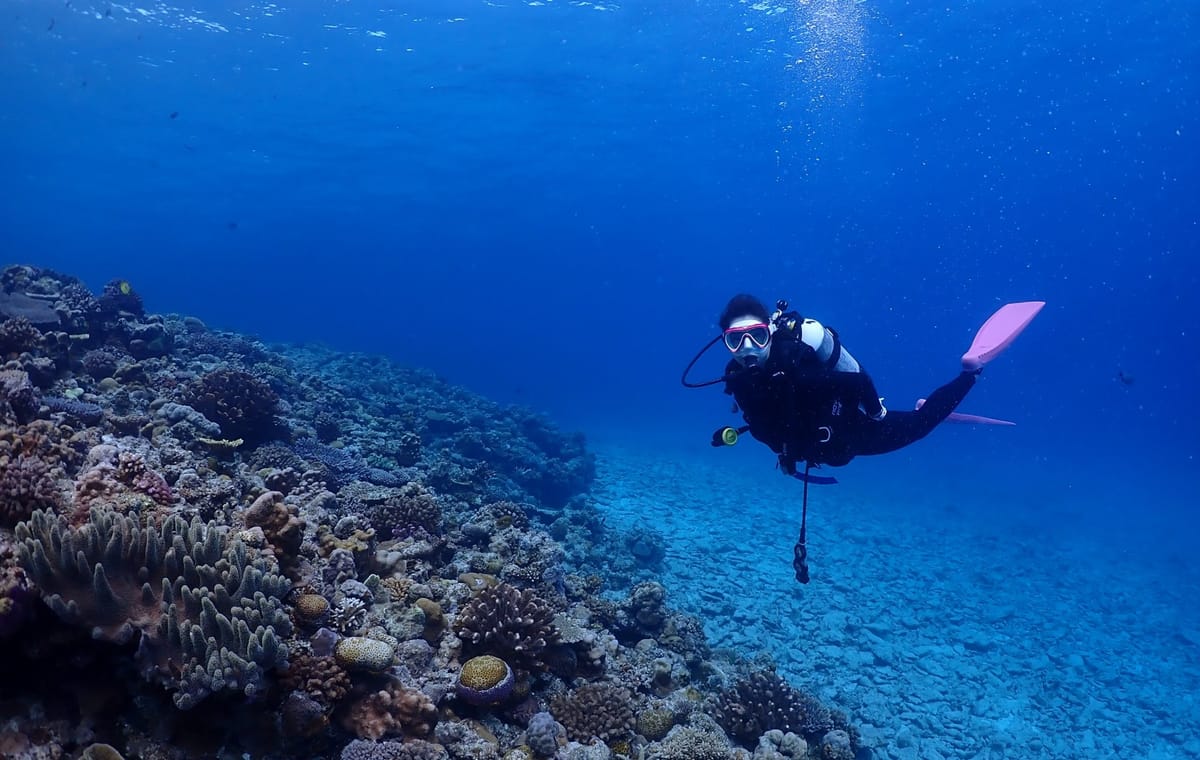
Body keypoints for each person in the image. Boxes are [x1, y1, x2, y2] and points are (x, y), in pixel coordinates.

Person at [680, 293, 1044, 583]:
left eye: (757, 336)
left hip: (854, 432)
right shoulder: (738, 380)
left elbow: (856, 382)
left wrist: (876, 413)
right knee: (912, 424)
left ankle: (972, 371)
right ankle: (926, 405)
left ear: (770, 334)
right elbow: (766, 423)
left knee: (920, 426)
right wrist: (786, 454)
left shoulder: (796, 366)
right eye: (735, 340)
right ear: (725, 342)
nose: (747, 348)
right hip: (820, 446)